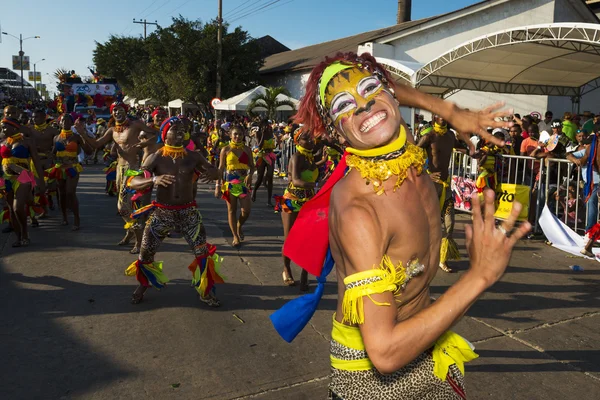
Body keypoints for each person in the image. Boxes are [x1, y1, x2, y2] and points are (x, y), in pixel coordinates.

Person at [269, 52, 527, 400]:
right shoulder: (359, 211)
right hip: (370, 378)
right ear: (336, 134)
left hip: (428, 344)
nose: (363, 107)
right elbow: (385, 352)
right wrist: (479, 276)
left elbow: (387, 92)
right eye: (344, 106)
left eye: (370, 89)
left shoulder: (408, 155)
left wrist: (449, 111)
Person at [125, 117, 223, 306]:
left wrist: (214, 173)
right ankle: (144, 284)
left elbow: (214, 170)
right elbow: (133, 181)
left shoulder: (194, 156)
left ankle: (205, 289)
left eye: (184, 129)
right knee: (145, 252)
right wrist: (154, 180)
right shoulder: (156, 156)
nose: (181, 132)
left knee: (202, 252)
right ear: (165, 133)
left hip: (189, 213)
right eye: (175, 129)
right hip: (162, 213)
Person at [78, 102, 158, 254]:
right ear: (112, 113)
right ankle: (130, 233)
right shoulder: (112, 130)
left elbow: (156, 135)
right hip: (119, 169)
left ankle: (140, 241)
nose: (117, 112)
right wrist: (82, 133)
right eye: (114, 110)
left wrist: (143, 144)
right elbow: (96, 145)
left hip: (133, 169)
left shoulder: (135, 124)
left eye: (120, 109)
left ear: (125, 111)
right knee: (124, 205)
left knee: (124, 207)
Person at [418, 115, 465, 273]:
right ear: (433, 118)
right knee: (428, 225)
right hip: (431, 187)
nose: (443, 117)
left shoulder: (451, 135)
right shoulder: (429, 136)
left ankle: (442, 259)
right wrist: (425, 174)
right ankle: (421, 257)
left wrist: (473, 152)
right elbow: (412, 157)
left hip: (446, 186)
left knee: (449, 224)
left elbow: (461, 146)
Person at [274, 128, 317, 290]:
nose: (311, 141)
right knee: (290, 239)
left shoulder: (311, 158)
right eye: (307, 139)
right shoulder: (296, 157)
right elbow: (296, 181)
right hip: (291, 201)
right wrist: (317, 185)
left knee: (308, 240)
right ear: (298, 141)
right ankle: (286, 269)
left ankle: (304, 275)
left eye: (312, 138)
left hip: (309, 202)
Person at [0, 117, 45, 246]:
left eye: (5, 127)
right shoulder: (3, 143)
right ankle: (18, 237)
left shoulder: (27, 142)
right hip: (7, 178)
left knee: (17, 207)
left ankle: (25, 233)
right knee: (11, 209)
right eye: (2, 127)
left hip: (24, 177)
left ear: (14, 127)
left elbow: (36, 160)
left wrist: (41, 181)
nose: (2, 129)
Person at [46, 115, 93, 230]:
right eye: (63, 120)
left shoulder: (76, 137)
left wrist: (83, 136)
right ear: (60, 123)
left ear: (72, 123)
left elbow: (89, 151)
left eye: (68, 120)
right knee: (61, 193)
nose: (65, 122)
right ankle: (64, 217)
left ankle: (77, 219)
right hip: (60, 168)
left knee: (70, 192)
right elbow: (53, 153)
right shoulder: (56, 138)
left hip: (73, 168)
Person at [216, 124, 254, 247]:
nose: (238, 136)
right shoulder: (225, 149)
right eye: (235, 134)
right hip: (230, 182)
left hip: (243, 182)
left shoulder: (247, 149)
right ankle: (235, 236)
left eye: (240, 134)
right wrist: (217, 185)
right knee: (232, 210)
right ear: (230, 135)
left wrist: (250, 175)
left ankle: (239, 225)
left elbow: (252, 166)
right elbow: (221, 168)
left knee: (246, 211)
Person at [31, 109, 59, 216]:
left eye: (36, 117)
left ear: (44, 118)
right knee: (38, 187)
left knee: (50, 186)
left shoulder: (52, 130)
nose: (34, 119)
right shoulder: (30, 130)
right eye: (33, 117)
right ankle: (44, 210)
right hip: (35, 161)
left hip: (48, 161)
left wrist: (53, 152)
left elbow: (60, 141)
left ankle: (50, 200)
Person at [251, 119, 277, 206]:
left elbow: (273, 144)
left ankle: (269, 200)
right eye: (265, 125)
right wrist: (262, 134)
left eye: (268, 125)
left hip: (270, 155)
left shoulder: (270, 132)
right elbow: (259, 145)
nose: (267, 127)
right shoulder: (258, 133)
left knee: (270, 177)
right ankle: (254, 191)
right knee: (259, 177)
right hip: (261, 155)